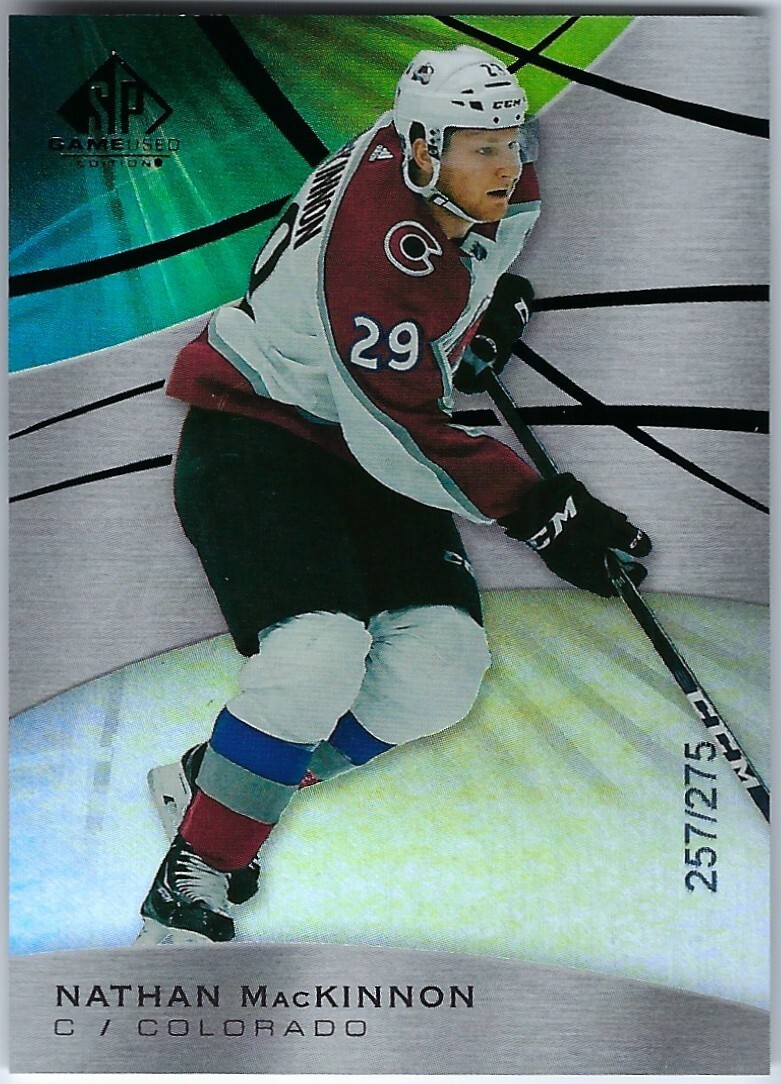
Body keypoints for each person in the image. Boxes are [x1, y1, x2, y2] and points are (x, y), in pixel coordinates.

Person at [136, 45, 651, 945]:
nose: (506, 164)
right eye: (481, 149)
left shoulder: (457, 169)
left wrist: (469, 317)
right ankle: (194, 878)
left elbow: (441, 292)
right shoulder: (373, 253)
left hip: (361, 424)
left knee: (438, 674)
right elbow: (400, 426)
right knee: (317, 655)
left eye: (511, 139)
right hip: (257, 429)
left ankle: (215, 780)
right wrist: (544, 515)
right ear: (419, 151)